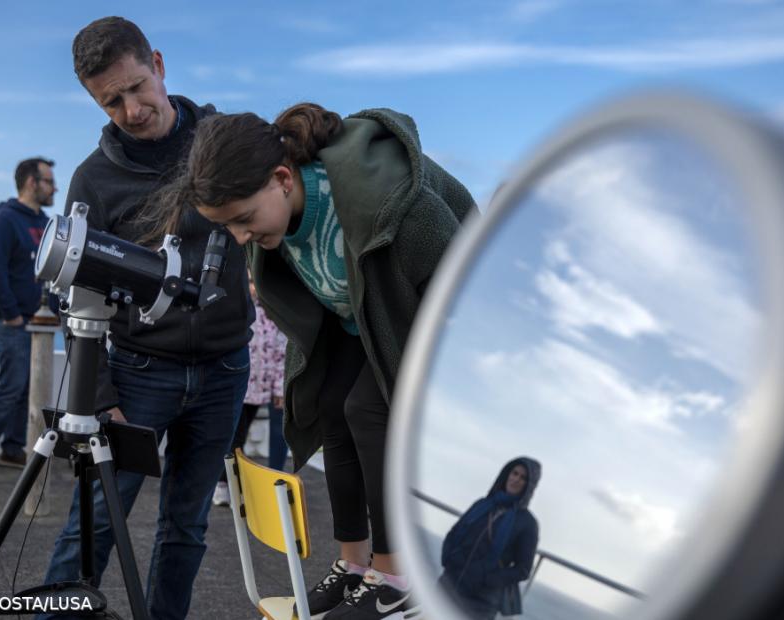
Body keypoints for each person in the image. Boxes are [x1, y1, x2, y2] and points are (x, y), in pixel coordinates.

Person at [144, 103, 477, 619]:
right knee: (330, 405)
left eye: (242, 220)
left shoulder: (389, 198)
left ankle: (395, 579)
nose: (238, 237)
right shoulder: (276, 218)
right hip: (356, 318)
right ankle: (355, 565)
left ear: (282, 178)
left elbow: (460, 270)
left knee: (368, 409)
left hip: (429, 312)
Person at [39, 17, 251, 620]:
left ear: (158, 64)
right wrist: (100, 397)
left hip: (224, 369)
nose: (132, 110)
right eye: (112, 101)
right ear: (93, 100)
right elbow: (70, 297)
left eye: (137, 87)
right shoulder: (92, 180)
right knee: (97, 520)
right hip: (136, 373)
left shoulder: (223, 139)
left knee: (186, 529)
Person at [0, 157, 57, 475]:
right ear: (32, 183)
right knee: (12, 384)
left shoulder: (44, 223)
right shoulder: (4, 222)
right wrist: (10, 316)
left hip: (37, 321)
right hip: (13, 321)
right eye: (49, 181)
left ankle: (12, 448)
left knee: (27, 388)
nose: (55, 187)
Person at [213, 272, 289, 506]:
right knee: (235, 436)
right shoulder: (240, 312)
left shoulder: (277, 314)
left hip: (272, 384)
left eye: (257, 282)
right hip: (245, 386)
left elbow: (282, 351)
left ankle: (275, 482)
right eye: (250, 282)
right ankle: (226, 484)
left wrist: (280, 388)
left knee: (280, 432)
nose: (254, 288)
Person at [439, 458, 542, 619]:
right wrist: (448, 557)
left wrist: (486, 579)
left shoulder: (527, 523)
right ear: (506, 474)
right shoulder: (483, 503)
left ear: (529, 486)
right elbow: (455, 532)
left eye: (523, 478)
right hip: (447, 584)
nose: (516, 479)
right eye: (515, 473)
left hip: (479, 603)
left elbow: (523, 570)